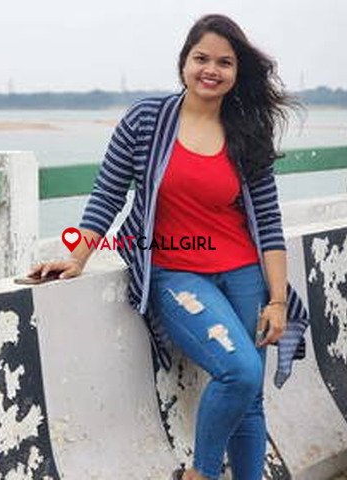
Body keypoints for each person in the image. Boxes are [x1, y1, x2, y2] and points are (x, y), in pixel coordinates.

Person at [29, 14, 310, 480]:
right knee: (239, 372)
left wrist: (278, 300)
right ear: (184, 62)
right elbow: (108, 193)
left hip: (243, 272)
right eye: (201, 58)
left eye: (224, 62)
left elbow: (268, 221)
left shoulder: (247, 129)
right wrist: (77, 256)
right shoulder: (146, 120)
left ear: (237, 71)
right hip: (175, 272)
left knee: (251, 401)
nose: (211, 70)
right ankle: (202, 474)